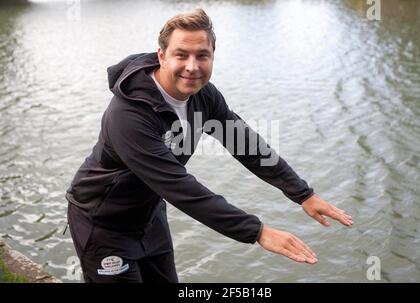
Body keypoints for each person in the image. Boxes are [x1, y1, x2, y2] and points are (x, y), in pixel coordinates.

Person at [65, 8, 353, 283]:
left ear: (213, 56)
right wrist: (258, 231)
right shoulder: (128, 116)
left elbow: (246, 145)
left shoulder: (203, 96)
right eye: (182, 55)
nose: (192, 67)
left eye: (202, 55)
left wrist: (303, 194)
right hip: (103, 224)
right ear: (162, 56)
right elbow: (181, 189)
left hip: (149, 216)